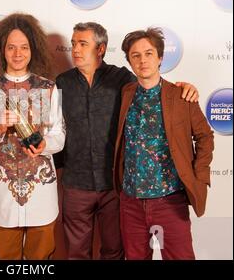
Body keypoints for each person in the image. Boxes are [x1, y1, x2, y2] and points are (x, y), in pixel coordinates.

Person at [55, 22, 199, 259]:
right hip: (75, 184)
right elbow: (55, 128)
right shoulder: (62, 82)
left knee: (115, 251)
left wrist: (185, 87)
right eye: (73, 44)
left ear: (100, 49)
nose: (76, 50)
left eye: (83, 44)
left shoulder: (122, 79)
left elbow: (152, 85)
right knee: (75, 253)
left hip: (114, 186)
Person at [113, 27, 214, 260]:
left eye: (148, 53)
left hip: (169, 201)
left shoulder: (181, 96)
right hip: (131, 202)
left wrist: (198, 175)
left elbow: (205, 137)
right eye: (135, 55)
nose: (142, 60)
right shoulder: (126, 93)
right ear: (129, 61)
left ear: (160, 57)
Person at [0, 13, 65, 260]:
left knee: (40, 261)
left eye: (24, 47)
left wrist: (45, 144)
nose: (18, 54)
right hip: (3, 196)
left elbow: (59, 136)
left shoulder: (48, 88)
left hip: (41, 195)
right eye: (11, 47)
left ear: (32, 50)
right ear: (1, 50)